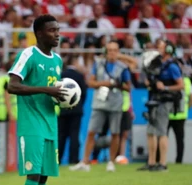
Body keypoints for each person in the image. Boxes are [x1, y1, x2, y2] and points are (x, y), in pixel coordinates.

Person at [7, 14, 65, 185]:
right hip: (31, 123)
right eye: (52, 30)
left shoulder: (58, 60)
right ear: (39, 34)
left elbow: (54, 91)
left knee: (44, 175)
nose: (57, 34)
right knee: (33, 174)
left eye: (58, 30)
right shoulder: (28, 54)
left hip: (50, 123)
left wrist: (64, 99)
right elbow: (12, 86)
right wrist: (46, 90)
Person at [70, 41, 131, 172]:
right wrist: (106, 83)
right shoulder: (98, 64)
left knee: (115, 133)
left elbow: (128, 87)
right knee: (92, 131)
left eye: (115, 50)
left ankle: (111, 162)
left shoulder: (123, 67)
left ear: (118, 52)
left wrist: (118, 84)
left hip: (115, 104)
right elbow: (90, 82)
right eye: (110, 50)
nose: (112, 53)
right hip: (99, 103)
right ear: (106, 51)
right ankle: (85, 162)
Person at [137, 40, 184, 171]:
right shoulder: (155, 66)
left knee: (162, 131)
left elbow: (181, 85)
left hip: (166, 101)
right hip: (155, 100)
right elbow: (150, 82)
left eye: (160, 47)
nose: (157, 50)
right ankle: (151, 163)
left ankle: (163, 163)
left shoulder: (172, 66)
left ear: (168, 49)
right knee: (150, 131)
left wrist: (166, 87)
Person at [58, 54, 87, 165]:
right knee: (74, 135)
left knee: (61, 135)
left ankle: (58, 159)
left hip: (63, 110)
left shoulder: (61, 75)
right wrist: (78, 105)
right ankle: (73, 159)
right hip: (76, 110)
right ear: (74, 61)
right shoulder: (79, 76)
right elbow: (83, 93)